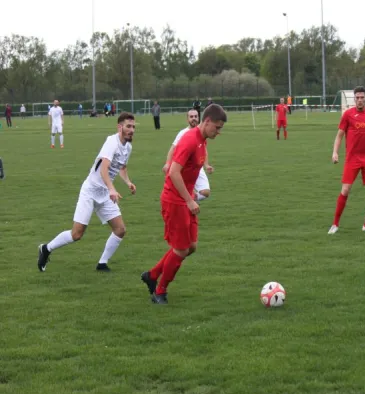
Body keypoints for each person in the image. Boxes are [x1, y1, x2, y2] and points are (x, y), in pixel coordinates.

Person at [141, 104, 227, 305]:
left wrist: (192, 196)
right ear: (206, 122)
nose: (218, 132)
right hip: (175, 200)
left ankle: (152, 275)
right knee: (181, 249)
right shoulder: (189, 139)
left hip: (186, 198)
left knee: (191, 247)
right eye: (217, 127)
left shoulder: (202, 141)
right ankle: (160, 291)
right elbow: (173, 172)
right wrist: (189, 200)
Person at [37, 112, 137, 273]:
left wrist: (128, 182)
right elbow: (104, 168)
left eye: (133, 126)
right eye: (128, 126)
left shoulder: (128, 147)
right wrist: (112, 188)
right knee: (76, 234)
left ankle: (102, 263)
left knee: (120, 230)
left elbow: (122, 167)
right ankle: (46, 248)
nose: (132, 130)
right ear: (120, 127)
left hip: (104, 193)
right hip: (90, 191)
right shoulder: (112, 142)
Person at [328, 86, 365, 235]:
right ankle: (335, 224)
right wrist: (335, 152)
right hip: (352, 158)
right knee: (345, 190)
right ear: (354, 99)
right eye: (357, 97)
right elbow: (339, 135)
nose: (360, 100)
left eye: (362, 97)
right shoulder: (348, 115)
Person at [162, 109, 213, 201]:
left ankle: (189, 201)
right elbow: (173, 149)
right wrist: (167, 163)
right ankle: (187, 202)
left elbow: (204, 150)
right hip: (185, 167)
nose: (194, 119)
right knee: (185, 190)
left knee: (206, 192)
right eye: (191, 117)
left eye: (195, 116)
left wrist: (206, 165)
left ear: (199, 118)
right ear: (187, 119)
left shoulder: (201, 133)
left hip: (197, 166)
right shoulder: (183, 133)